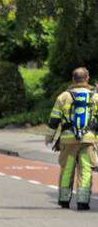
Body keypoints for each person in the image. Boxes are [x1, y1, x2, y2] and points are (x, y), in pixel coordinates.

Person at [46, 67, 98, 210]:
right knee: (86, 170)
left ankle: (64, 200)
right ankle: (83, 202)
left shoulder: (63, 96)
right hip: (88, 140)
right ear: (87, 79)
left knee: (67, 169)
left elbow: (54, 119)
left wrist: (49, 138)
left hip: (68, 141)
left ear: (73, 79)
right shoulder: (95, 97)